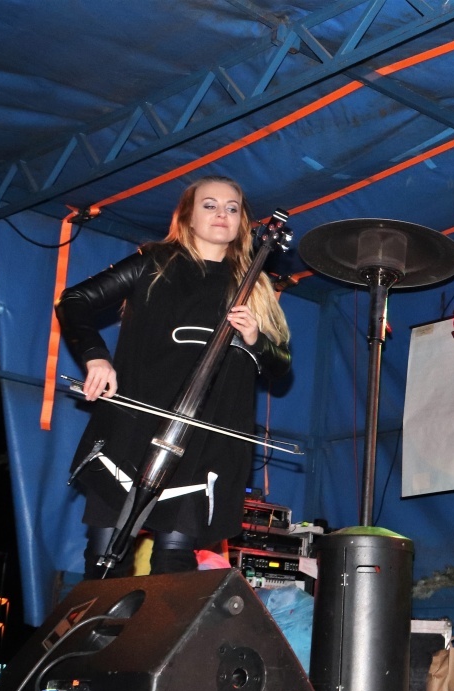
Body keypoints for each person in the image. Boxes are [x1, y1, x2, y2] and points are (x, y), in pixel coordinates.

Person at [56, 175, 291, 579]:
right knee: (103, 559)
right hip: (132, 427)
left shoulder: (255, 285)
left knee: (174, 567)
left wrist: (255, 339)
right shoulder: (153, 263)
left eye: (232, 208)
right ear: (187, 217)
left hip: (206, 441)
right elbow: (74, 300)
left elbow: (281, 366)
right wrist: (95, 358)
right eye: (209, 205)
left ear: (242, 222)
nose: (221, 214)